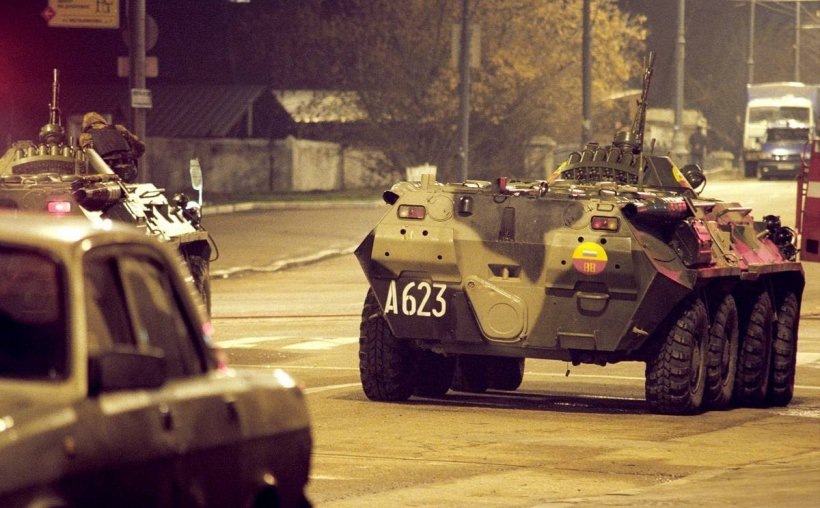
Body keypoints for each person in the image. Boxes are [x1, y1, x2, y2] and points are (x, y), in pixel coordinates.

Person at [79, 112, 145, 182]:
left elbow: (90, 158)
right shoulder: (119, 129)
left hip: (107, 174)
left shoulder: (85, 136)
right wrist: (129, 156)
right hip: (129, 170)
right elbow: (141, 147)